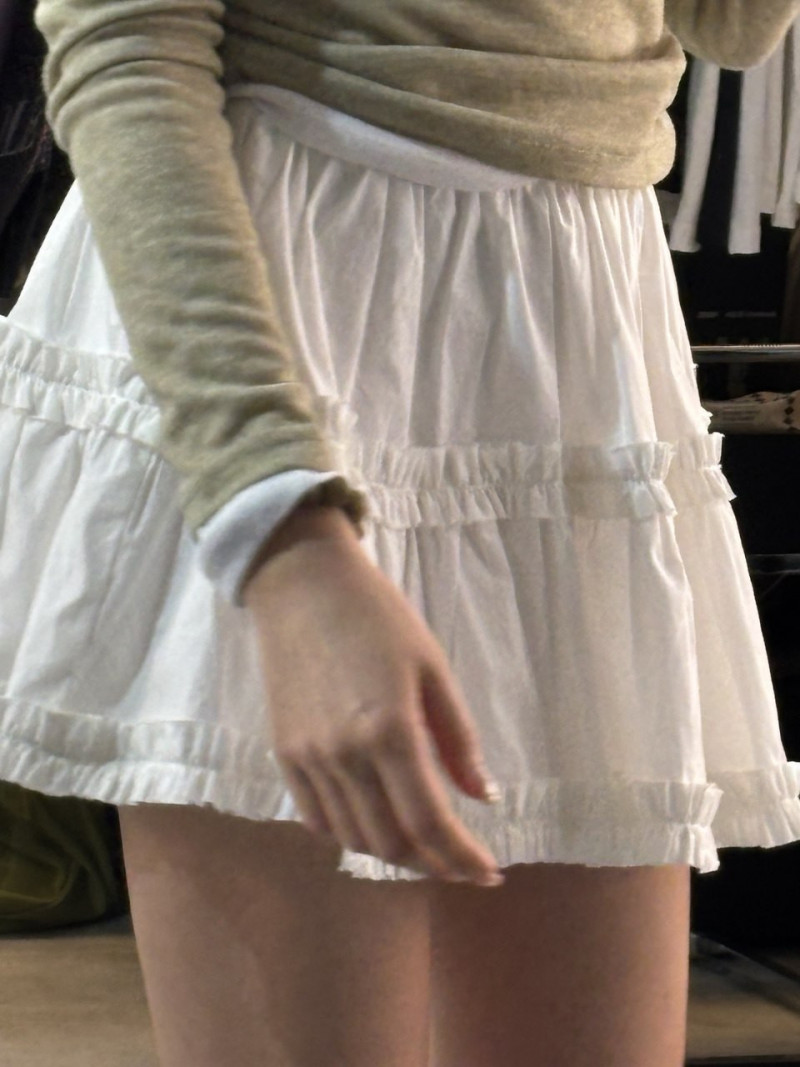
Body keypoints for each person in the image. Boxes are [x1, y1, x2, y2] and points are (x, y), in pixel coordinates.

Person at [1, 1, 800, 1064]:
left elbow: (730, 26)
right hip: (291, 286)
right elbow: (125, 43)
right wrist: (281, 531)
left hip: (580, 307)